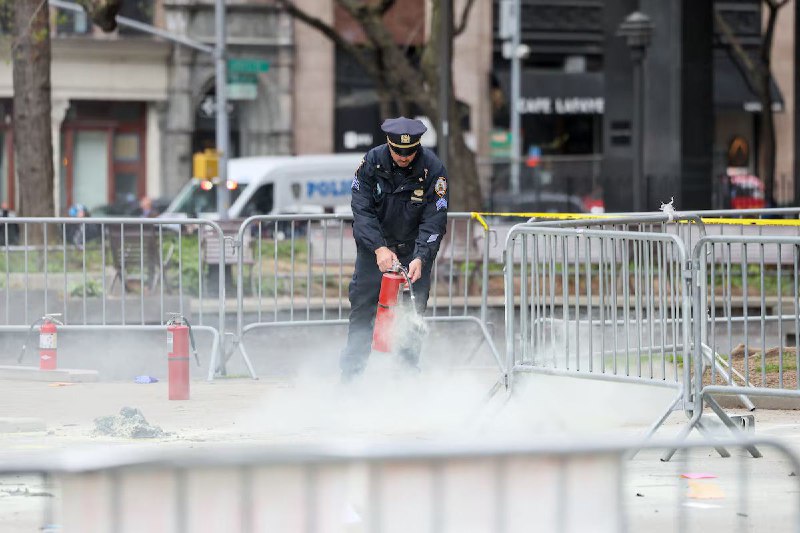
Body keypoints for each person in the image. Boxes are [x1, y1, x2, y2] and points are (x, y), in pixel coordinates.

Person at [340, 116, 449, 381]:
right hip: (375, 251)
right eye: (398, 151)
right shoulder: (371, 162)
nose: (403, 157)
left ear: (418, 146)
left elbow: (434, 219)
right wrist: (378, 248)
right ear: (389, 145)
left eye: (409, 151)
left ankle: (406, 377)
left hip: (414, 252)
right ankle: (351, 377)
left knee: (412, 313)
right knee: (363, 309)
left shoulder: (433, 169)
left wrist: (422, 257)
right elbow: (361, 210)